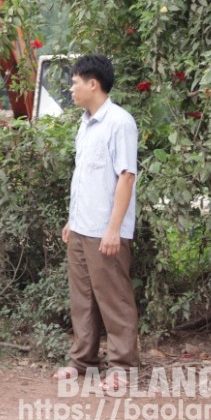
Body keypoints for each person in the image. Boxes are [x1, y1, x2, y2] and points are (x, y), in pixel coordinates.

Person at [53, 55, 140, 391]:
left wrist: (114, 228)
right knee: (83, 298)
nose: (72, 88)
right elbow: (84, 177)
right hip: (81, 227)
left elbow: (126, 176)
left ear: (93, 83)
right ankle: (83, 362)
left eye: (75, 82)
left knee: (114, 298)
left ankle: (122, 367)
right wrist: (72, 221)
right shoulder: (85, 123)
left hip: (106, 229)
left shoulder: (119, 122)